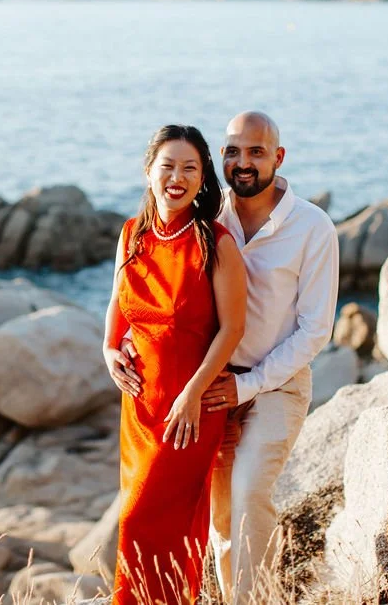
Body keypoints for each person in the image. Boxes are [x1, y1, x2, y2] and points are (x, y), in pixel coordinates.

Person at [113, 112, 339, 603]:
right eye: (233, 151)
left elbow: (316, 330)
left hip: (276, 384)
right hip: (214, 386)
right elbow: (170, 290)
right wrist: (128, 344)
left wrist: (247, 384)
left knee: (249, 495)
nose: (243, 162)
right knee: (219, 522)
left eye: (256, 152)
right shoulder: (211, 218)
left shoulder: (312, 227)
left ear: (278, 158)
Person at [103, 124, 248, 605]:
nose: (177, 177)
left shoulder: (215, 242)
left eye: (190, 168)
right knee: (137, 521)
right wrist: (108, 348)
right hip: (139, 409)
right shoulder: (132, 234)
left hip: (190, 410)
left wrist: (190, 395)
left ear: (203, 176)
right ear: (149, 172)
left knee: (152, 521)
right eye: (167, 166)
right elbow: (119, 303)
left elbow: (232, 329)